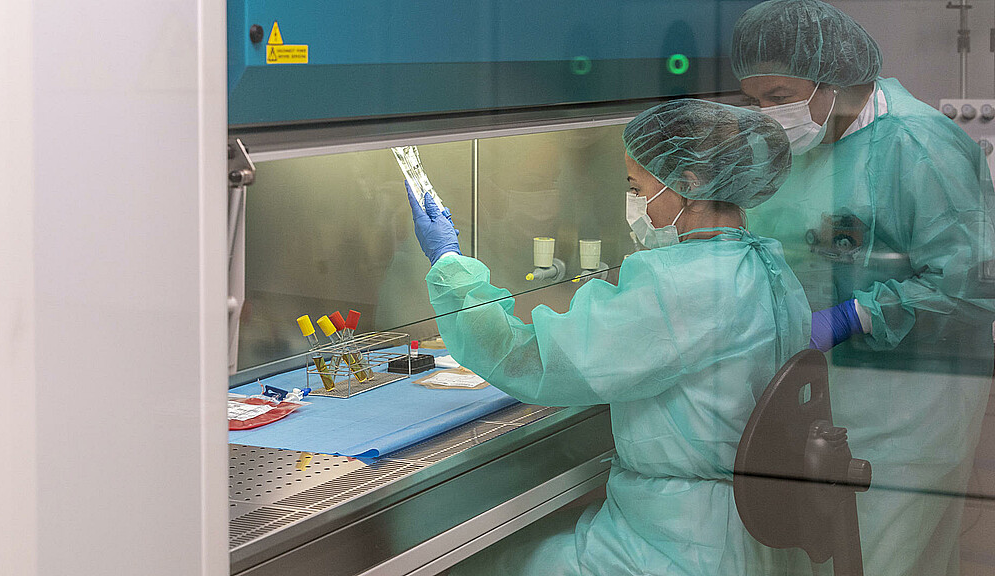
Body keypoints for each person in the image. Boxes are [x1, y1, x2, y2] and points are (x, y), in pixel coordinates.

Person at [407, 99, 811, 575]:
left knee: (485, 563)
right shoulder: (763, 262)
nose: (632, 203)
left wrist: (449, 267)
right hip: (745, 534)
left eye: (637, 188)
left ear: (688, 185)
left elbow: (528, 360)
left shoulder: (680, 284)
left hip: (677, 544)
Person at [731, 1, 995, 574]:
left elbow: (972, 286)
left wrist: (851, 317)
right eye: (754, 101)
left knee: (886, 555)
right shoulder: (804, 145)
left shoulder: (917, 145)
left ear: (835, 78)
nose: (767, 115)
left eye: (778, 97)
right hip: (827, 393)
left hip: (912, 400)